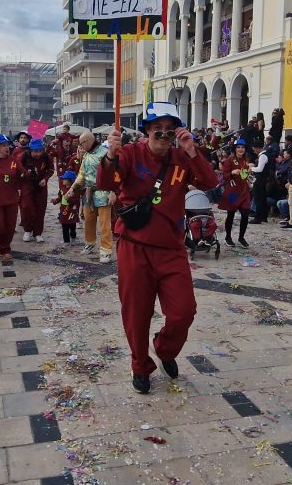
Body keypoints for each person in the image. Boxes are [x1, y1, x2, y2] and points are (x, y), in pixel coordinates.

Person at [97, 102, 218, 394]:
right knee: (137, 312)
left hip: (171, 249)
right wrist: (110, 155)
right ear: (146, 131)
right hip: (134, 246)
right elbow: (106, 183)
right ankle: (140, 365)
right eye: (157, 131)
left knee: (183, 312)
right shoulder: (130, 153)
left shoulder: (181, 156)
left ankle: (164, 349)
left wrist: (192, 151)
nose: (163, 137)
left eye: (168, 132)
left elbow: (209, 181)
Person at [66, 132, 115, 263]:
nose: (80, 146)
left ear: (88, 141)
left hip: (103, 192)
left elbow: (112, 173)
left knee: (105, 224)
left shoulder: (105, 153)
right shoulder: (86, 156)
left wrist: (113, 191)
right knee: (88, 221)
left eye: (81, 144)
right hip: (88, 193)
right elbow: (82, 175)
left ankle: (106, 250)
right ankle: (90, 242)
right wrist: (72, 189)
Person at [219, 139, 253, 248]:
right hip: (233, 191)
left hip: (244, 191)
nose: (241, 149)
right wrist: (232, 173)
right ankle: (228, 237)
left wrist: (248, 177)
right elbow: (224, 175)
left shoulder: (245, 161)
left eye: (242, 147)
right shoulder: (229, 160)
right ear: (235, 148)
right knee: (231, 214)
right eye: (238, 147)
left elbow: (244, 176)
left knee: (245, 215)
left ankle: (241, 237)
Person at [19, 139, 53, 243]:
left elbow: (51, 169)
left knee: (40, 209)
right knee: (26, 207)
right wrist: (23, 176)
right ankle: (27, 230)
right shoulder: (24, 156)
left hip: (40, 185)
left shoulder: (46, 157)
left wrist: (45, 179)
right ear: (30, 150)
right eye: (34, 151)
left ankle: (38, 233)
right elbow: (17, 168)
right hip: (27, 184)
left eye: (39, 151)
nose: (37, 154)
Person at [249, 138, 277, 224]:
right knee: (262, 199)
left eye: (254, 148)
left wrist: (251, 168)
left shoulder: (263, 156)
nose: (253, 151)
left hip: (261, 180)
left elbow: (260, 169)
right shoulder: (266, 155)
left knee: (258, 199)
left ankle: (258, 217)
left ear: (258, 148)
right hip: (264, 179)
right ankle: (263, 217)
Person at [53, 170, 80, 244]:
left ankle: (73, 236)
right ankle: (66, 241)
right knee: (64, 226)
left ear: (71, 181)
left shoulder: (75, 190)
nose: (63, 180)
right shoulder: (62, 188)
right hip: (63, 211)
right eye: (63, 179)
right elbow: (60, 197)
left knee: (72, 226)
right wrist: (55, 201)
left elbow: (77, 201)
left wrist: (69, 199)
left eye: (65, 179)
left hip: (71, 212)